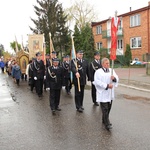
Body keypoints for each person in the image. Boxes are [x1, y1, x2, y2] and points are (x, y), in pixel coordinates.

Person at [94, 58, 119, 130]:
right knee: (105, 108)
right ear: (102, 64)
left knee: (109, 107)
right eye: (106, 63)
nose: (108, 65)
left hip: (110, 93)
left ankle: (104, 119)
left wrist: (114, 79)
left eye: (108, 63)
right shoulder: (98, 72)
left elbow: (117, 78)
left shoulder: (111, 71)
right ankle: (107, 123)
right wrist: (107, 85)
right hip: (103, 93)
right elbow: (97, 82)